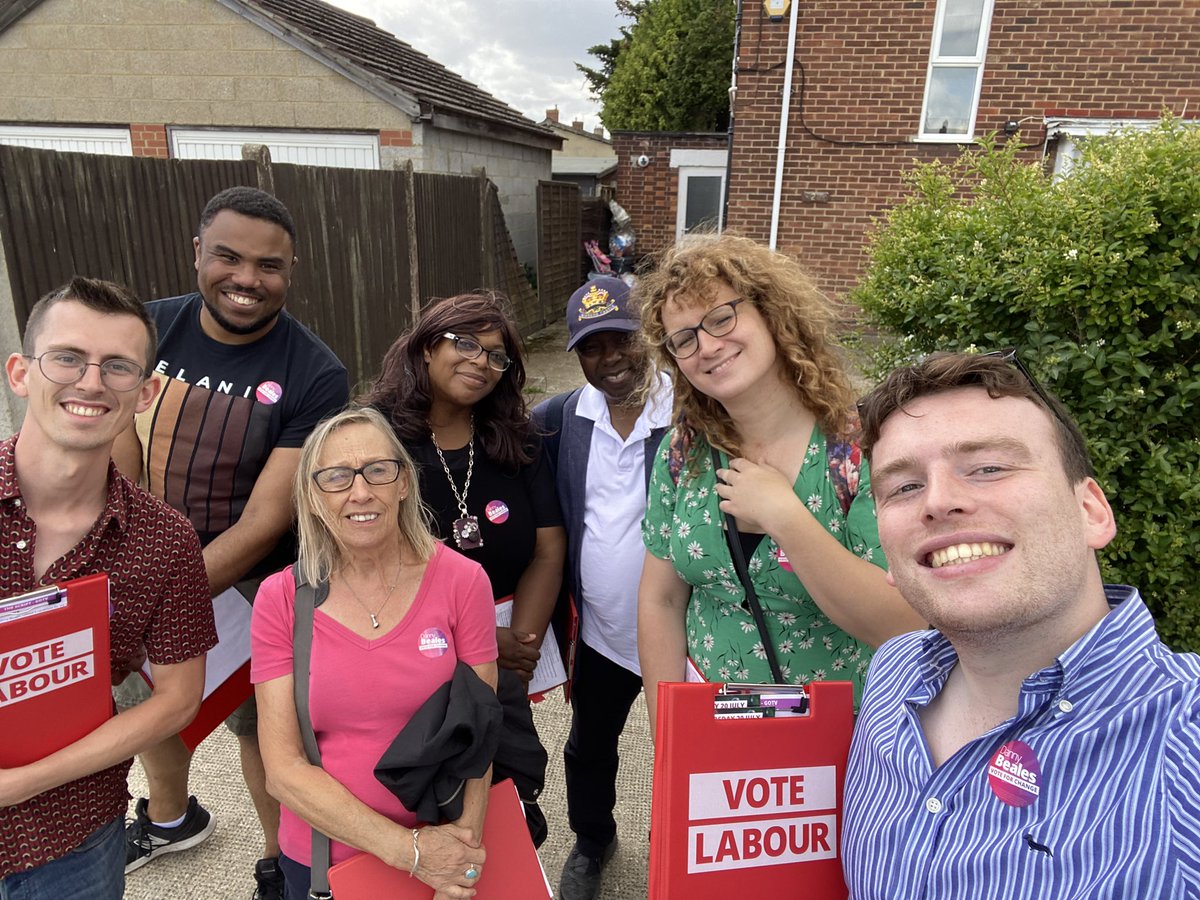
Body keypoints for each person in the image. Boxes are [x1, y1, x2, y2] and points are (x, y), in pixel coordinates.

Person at [843, 351, 1200, 897]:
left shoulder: (1183, 737)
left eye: (989, 467)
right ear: (888, 557)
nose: (938, 501)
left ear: (1092, 512)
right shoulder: (892, 675)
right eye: (905, 487)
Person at [113, 186, 349, 897]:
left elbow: (262, 525)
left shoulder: (315, 372)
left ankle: (280, 861)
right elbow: (117, 462)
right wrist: (135, 576)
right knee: (143, 698)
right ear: (197, 253)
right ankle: (170, 816)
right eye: (229, 257)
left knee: (260, 730)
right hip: (141, 568)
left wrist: (161, 598)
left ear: (291, 270)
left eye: (269, 266)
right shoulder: (144, 331)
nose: (247, 279)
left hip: (253, 593)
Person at [636, 234, 924, 730]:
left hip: (842, 736)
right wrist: (670, 734)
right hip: (717, 724)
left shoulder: (862, 451)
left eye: (721, 317)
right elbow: (660, 599)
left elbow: (902, 622)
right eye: (683, 339)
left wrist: (785, 517)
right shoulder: (684, 452)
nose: (707, 346)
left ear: (770, 313)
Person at [0, 277, 216, 899]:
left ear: (145, 392)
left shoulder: (165, 540)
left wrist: (25, 781)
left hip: (74, 839)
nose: (91, 383)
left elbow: (177, 700)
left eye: (117, 366)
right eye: (67, 357)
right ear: (21, 372)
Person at [252, 406, 496, 900]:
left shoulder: (463, 582)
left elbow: (481, 735)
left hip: (445, 844)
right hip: (327, 860)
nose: (360, 492)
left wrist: (461, 851)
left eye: (377, 471)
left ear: (403, 482)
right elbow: (282, 770)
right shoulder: (281, 599)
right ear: (314, 498)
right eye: (336, 477)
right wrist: (411, 852)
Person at [363, 291, 565, 846]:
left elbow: (548, 549)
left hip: (508, 647)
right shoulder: (373, 433)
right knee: (426, 793)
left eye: (497, 356)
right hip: (411, 644)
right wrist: (479, 641)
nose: (481, 362)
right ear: (427, 346)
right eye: (466, 343)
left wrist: (520, 647)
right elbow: (365, 561)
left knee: (508, 785)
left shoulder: (518, 439)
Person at [531, 276, 672, 900]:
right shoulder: (560, 420)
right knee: (589, 747)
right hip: (603, 633)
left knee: (695, 749)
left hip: (687, 634)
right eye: (593, 347)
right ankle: (592, 841)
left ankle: (694, 851)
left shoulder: (696, 411)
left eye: (624, 339)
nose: (610, 359)